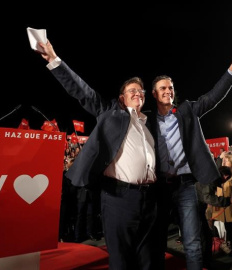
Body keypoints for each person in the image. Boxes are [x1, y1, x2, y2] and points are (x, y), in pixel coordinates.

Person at [35, 40, 158, 270]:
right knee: (122, 262)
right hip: (119, 199)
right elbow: (82, 91)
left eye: (140, 91)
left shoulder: (149, 124)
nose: (138, 93)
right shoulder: (110, 113)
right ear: (122, 98)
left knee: (147, 262)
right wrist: (54, 60)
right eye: (132, 91)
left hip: (149, 201)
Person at [148, 37, 232, 270]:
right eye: (163, 88)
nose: (168, 91)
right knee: (157, 241)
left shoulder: (187, 110)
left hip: (186, 186)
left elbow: (213, 96)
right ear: (154, 94)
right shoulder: (146, 119)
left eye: (171, 87)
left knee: (193, 242)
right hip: (159, 187)